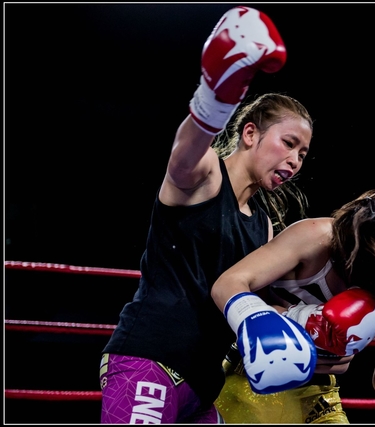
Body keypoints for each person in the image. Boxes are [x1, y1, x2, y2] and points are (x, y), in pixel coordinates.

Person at [99, 6, 316, 424]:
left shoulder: (263, 226)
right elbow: (184, 154)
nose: (294, 160)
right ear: (250, 133)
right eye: (288, 143)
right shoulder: (205, 177)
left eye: (303, 153)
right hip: (152, 361)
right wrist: (218, 96)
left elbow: (259, 304)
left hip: (203, 390)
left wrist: (314, 324)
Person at [212, 189, 375, 423]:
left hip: (319, 391)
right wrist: (293, 319)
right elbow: (229, 283)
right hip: (249, 375)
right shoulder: (315, 238)